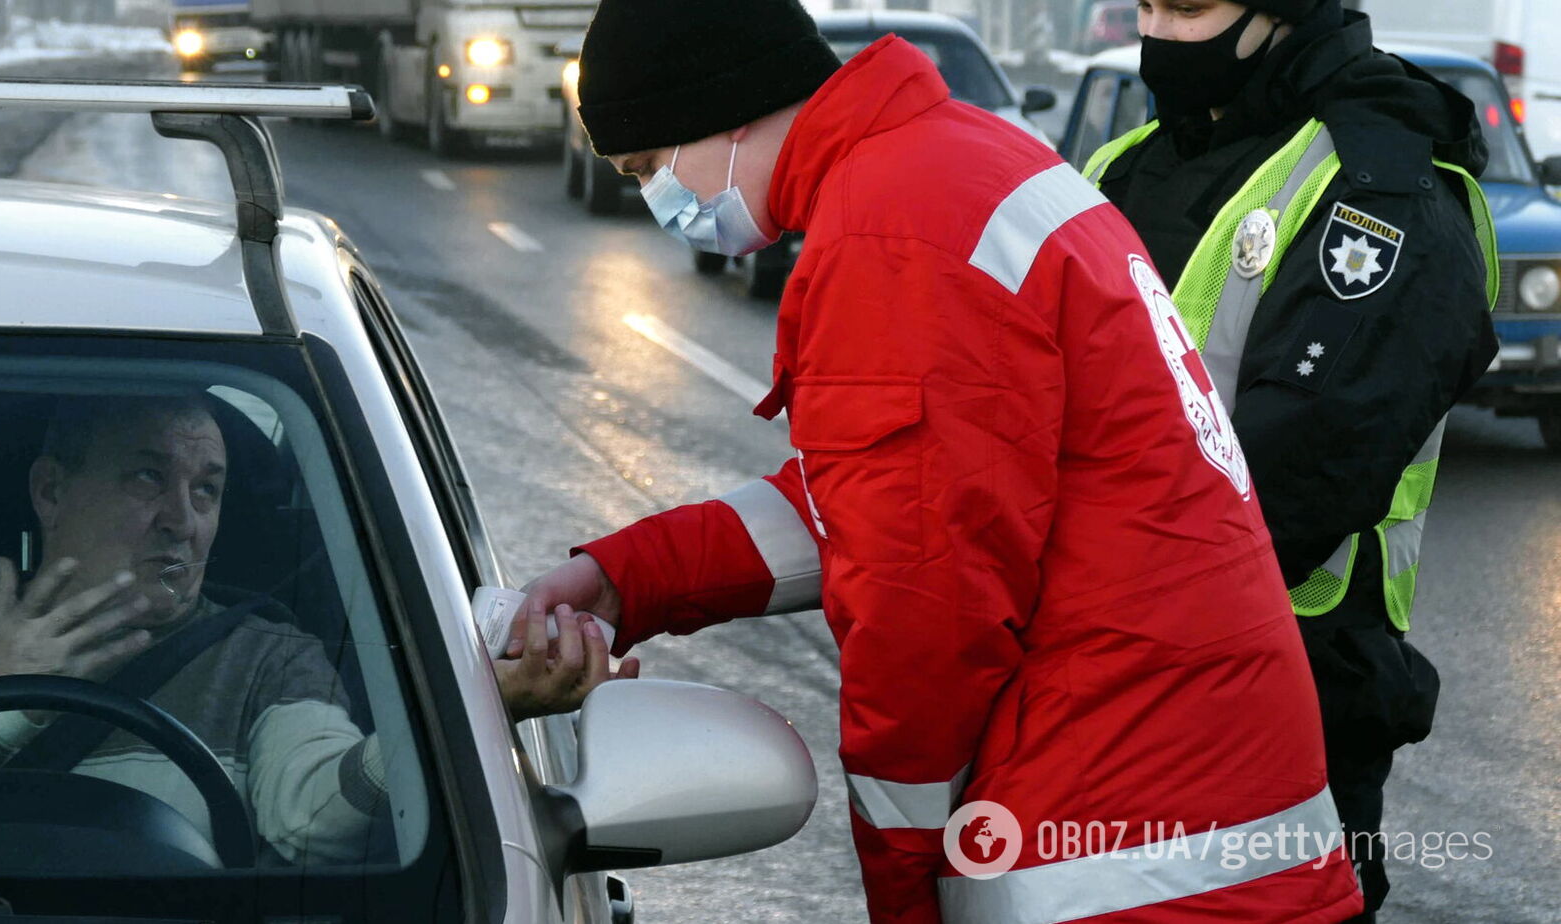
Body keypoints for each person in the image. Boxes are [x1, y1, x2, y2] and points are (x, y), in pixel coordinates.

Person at [518, 0, 1366, 920]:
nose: (661, 203)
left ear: (725, 110)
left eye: (650, 169)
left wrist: (903, 887)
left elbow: (918, 621)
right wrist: (625, 579)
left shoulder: (891, 234)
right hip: (1218, 808)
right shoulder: (964, 159)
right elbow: (879, 495)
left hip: (1122, 850)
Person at [0, 395, 628, 864]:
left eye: (207, 489)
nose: (183, 519)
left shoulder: (265, 656)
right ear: (52, 490)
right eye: (149, 477)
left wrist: (463, 709)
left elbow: (313, 812)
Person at [1081, 2, 1499, 918]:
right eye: (1145, 7)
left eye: (1187, 9)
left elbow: (1295, 478)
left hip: (1281, 699)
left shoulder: (1382, 188)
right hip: (1099, 697)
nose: (1158, 34)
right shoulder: (1121, 167)